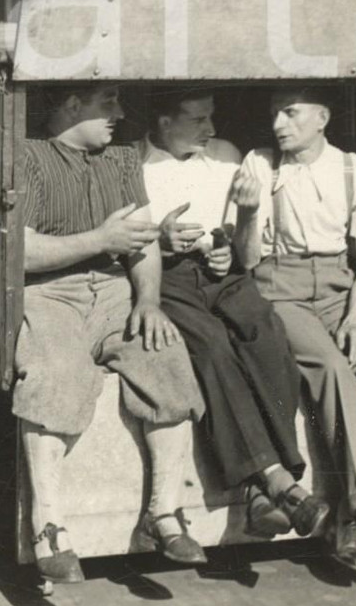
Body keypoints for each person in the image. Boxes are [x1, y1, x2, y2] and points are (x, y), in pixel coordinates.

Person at [12, 81, 207, 583]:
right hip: (49, 291)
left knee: (167, 361)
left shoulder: (122, 159)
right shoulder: (28, 156)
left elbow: (141, 243)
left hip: (118, 290)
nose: (120, 113)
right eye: (107, 102)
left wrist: (148, 300)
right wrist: (100, 239)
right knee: (56, 375)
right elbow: (22, 252)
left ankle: (164, 513)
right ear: (71, 105)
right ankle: (48, 527)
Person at [231, 86, 356, 576]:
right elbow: (246, 260)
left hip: (340, 287)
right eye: (273, 114)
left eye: (290, 113)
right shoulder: (260, 164)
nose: (278, 125)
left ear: (322, 117)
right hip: (280, 286)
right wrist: (247, 213)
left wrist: (354, 320)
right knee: (332, 367)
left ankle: (344, 519)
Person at [139, 90, 329, 541]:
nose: (210, 129)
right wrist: (159, 239)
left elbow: (243, 249)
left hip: (222, 274)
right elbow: (129, 240)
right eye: (198, 119)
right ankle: (279, 482)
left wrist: (238, 228)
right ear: (165, 123)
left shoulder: (226, 157)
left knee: (265, 331)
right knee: (212, 347)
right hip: (168, 277)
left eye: (212, 117)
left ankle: (262, 489)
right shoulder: (133, 166)